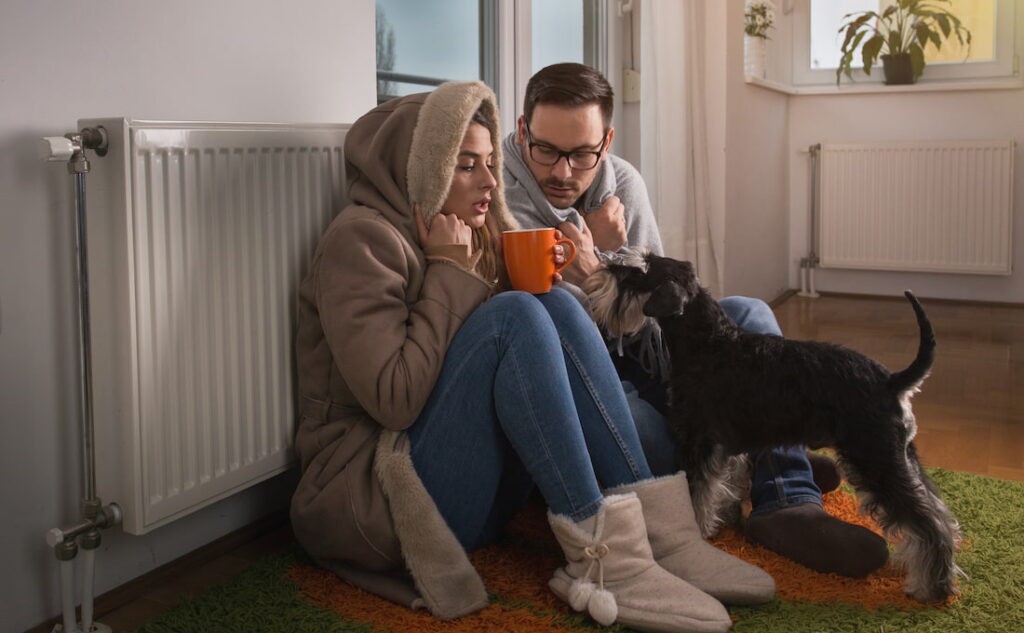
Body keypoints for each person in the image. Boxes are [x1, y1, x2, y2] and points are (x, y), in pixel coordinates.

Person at [289, 81, 775, 633]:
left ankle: (664, 538)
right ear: (418, 169)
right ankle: (603, 561)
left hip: (470, 486)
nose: (491, 180)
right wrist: (448, 273)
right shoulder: (362, 241)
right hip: (382, 500)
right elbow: (395, 403)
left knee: (551, 302)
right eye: (466, 165)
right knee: (517, 314)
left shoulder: (476, 230)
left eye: (490, 162)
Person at [503, 62, 890, 578]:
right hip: (586, 382)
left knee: (749, 313)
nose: (562, 172)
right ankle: (759, 457)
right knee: (652, 438)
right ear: (524, 129)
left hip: (641, 352)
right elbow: (538, 336)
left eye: (582, 154)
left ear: (607, 141)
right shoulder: (500, 197)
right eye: (546, 149)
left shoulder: (624, 185)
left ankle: (786, 499)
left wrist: (602, 265)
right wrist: (592, 258)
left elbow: (663, 326)